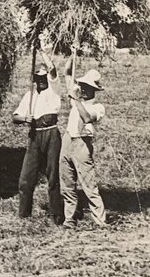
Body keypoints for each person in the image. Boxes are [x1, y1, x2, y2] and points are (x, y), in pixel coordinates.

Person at [12, 47, 63, 224]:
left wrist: (40, 48)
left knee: (53, 175)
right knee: (26, 178)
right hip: (34, 135)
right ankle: (24, 215)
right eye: (38, 78)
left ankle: (56, 214)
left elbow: (52, 68)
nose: (41, 81)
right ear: (34, 79)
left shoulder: (54, 89)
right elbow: (15, 117)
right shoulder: (29, 95)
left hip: (51, 134)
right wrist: (24, 118)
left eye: (43, 78)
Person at [59, 53, 108, 228]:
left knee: (89, 185)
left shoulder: (97, 107)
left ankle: (100, 221)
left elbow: (87, 118)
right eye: (83, 85)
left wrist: (75, 99)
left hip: (82, 144)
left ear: (94, 89)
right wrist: (72, 54)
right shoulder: (77, 98)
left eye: (88, 86)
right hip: (67, 140)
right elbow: (66, 73)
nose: (84, 88)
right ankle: (69, 220)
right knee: (67, 183)